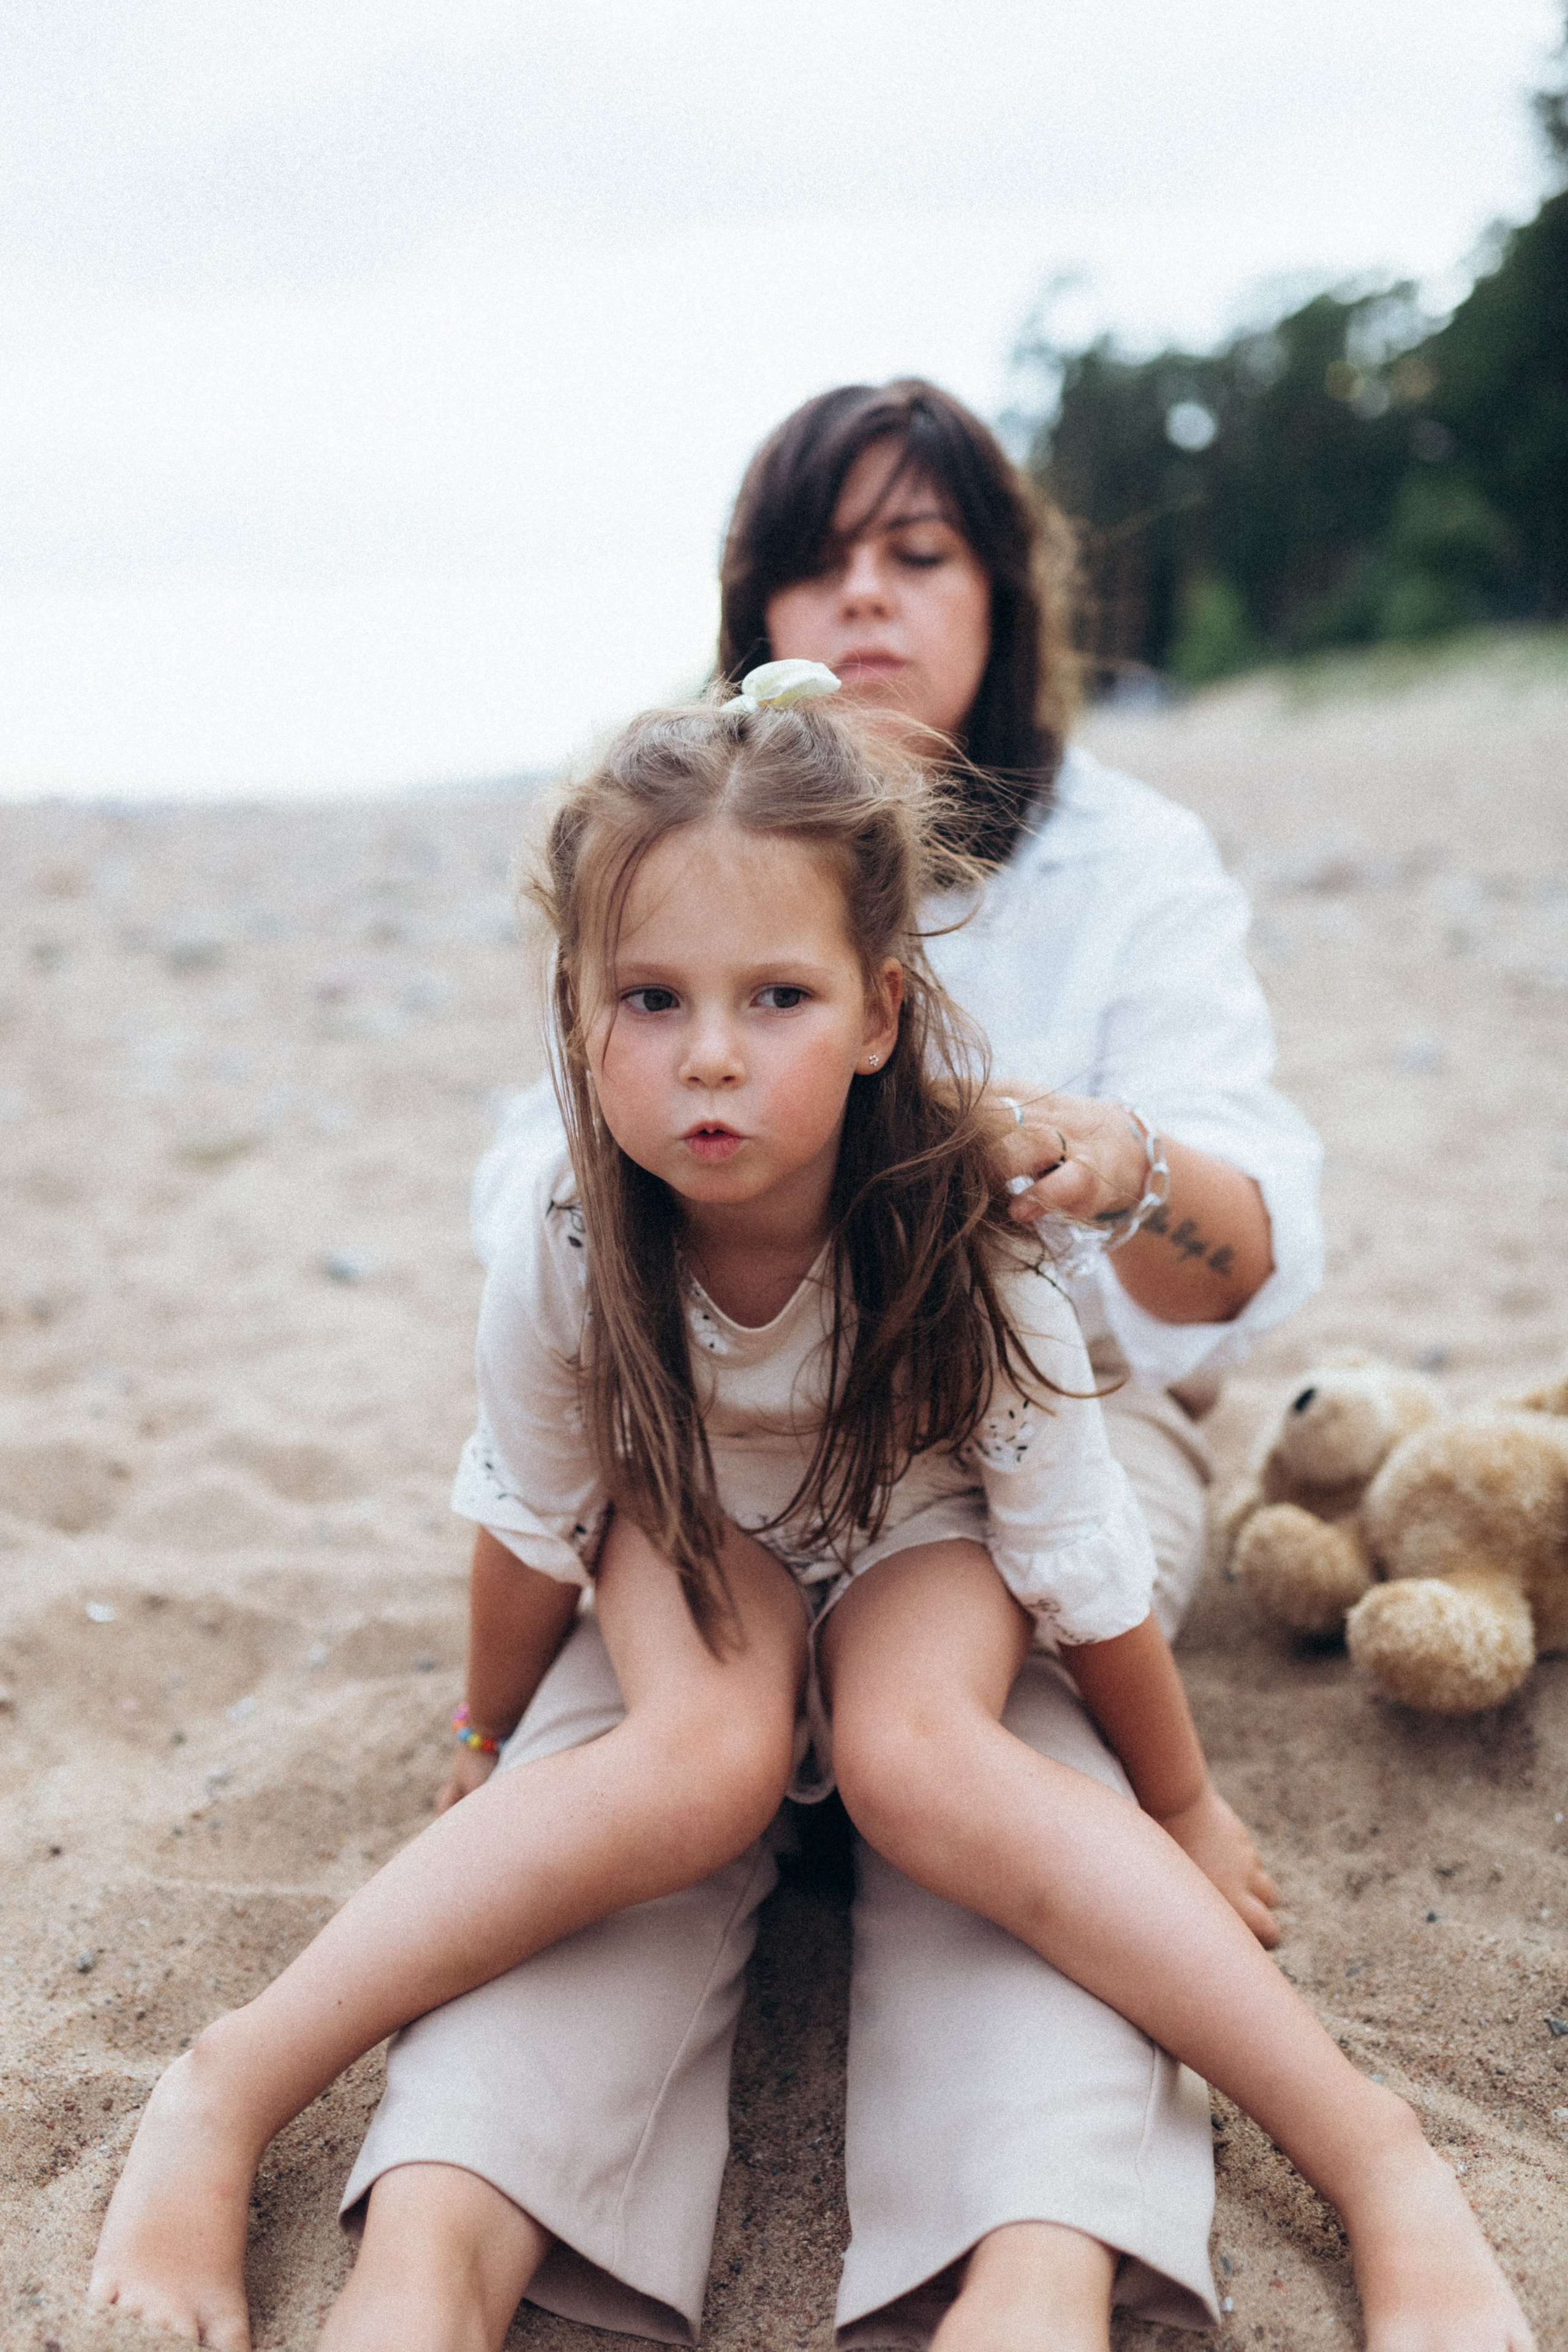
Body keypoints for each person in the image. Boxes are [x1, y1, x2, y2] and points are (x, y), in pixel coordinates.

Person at [89, 682, 1529, 2352]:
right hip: (697, 1525)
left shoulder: (963, 1223)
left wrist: (1187, 1800)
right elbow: (535, 1515)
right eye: (651, 999)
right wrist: (488, 1730)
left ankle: (1373, 2154)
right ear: (575, 1015)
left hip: (925, 1524)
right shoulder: (569, 1230)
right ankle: (228, 2083)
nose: (711, 1054)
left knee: (920, 1753)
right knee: (701, 1756)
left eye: (777, 996)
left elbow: (1077, 1561)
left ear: (876, 1010)